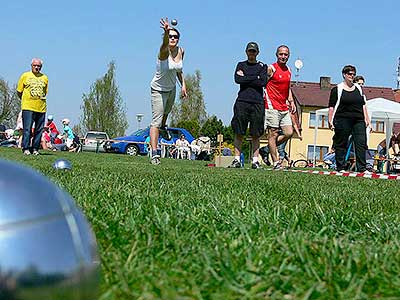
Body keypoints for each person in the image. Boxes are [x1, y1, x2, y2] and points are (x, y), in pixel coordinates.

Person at [149, 17, 187, 165]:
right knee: (155, 123)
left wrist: (183, 84)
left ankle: (164, 127)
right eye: (170, 36)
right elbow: (165, 43)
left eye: (175, 36)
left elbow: (179, 70)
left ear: (178, 39)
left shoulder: (181, 51)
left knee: (167, 112)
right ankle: (154, 153)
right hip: (158, 89)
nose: (172, 38)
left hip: (171, 89)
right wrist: (165, 32)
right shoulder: (163, 51)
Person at [230, 42, 268, 169]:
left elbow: (262, 82)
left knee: (256, 133)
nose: (252, 53)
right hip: (242, 101)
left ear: (257, 53)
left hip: (257, 102)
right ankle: (236, 159)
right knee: (239, 131)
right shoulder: (241, 65)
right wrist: (254, 78)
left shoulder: (263, 66)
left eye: (254, 51)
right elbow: (237, 80)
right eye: (250, 51)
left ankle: (255, 161)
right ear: (246, 52)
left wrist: (246, 77)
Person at [328, 65, 373, 173]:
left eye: (353, 74)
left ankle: (362, 168)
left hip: (358, 120)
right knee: (341, 143)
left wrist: (367, 119)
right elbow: (331, 106)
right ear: (344, 75)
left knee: (361, 143)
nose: (352, 76)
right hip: (342, 119)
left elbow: (363, 104)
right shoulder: (337, 89)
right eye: (349, 74)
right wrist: (330, 120)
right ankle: (340, 166)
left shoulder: (358, 88)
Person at [265, 45, 296, 170]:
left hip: (284, 106)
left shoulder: (288, 70)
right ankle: (276, 162)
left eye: (286, 54)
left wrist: (291, 100)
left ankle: (266, 149)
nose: (283, 56)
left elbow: (288, 87)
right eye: (281, 54)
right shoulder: (271, 68)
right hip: (272, 105)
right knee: (273, 134)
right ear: (276, 55)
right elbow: (263, 84)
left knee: (289, 132)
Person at [17, 58, 49, 155]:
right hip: (28, 107)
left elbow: (45, 92)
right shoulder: (25, 76)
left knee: (39, 130)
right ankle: (26, 148)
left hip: (41, 108)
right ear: (31, 66)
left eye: (38, 66)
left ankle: (35, 149)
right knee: (27, 128)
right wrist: (25, 100)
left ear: (41, 67)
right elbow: (19, 91)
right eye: (35, 65)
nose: (36, 67)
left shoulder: (45, 78)